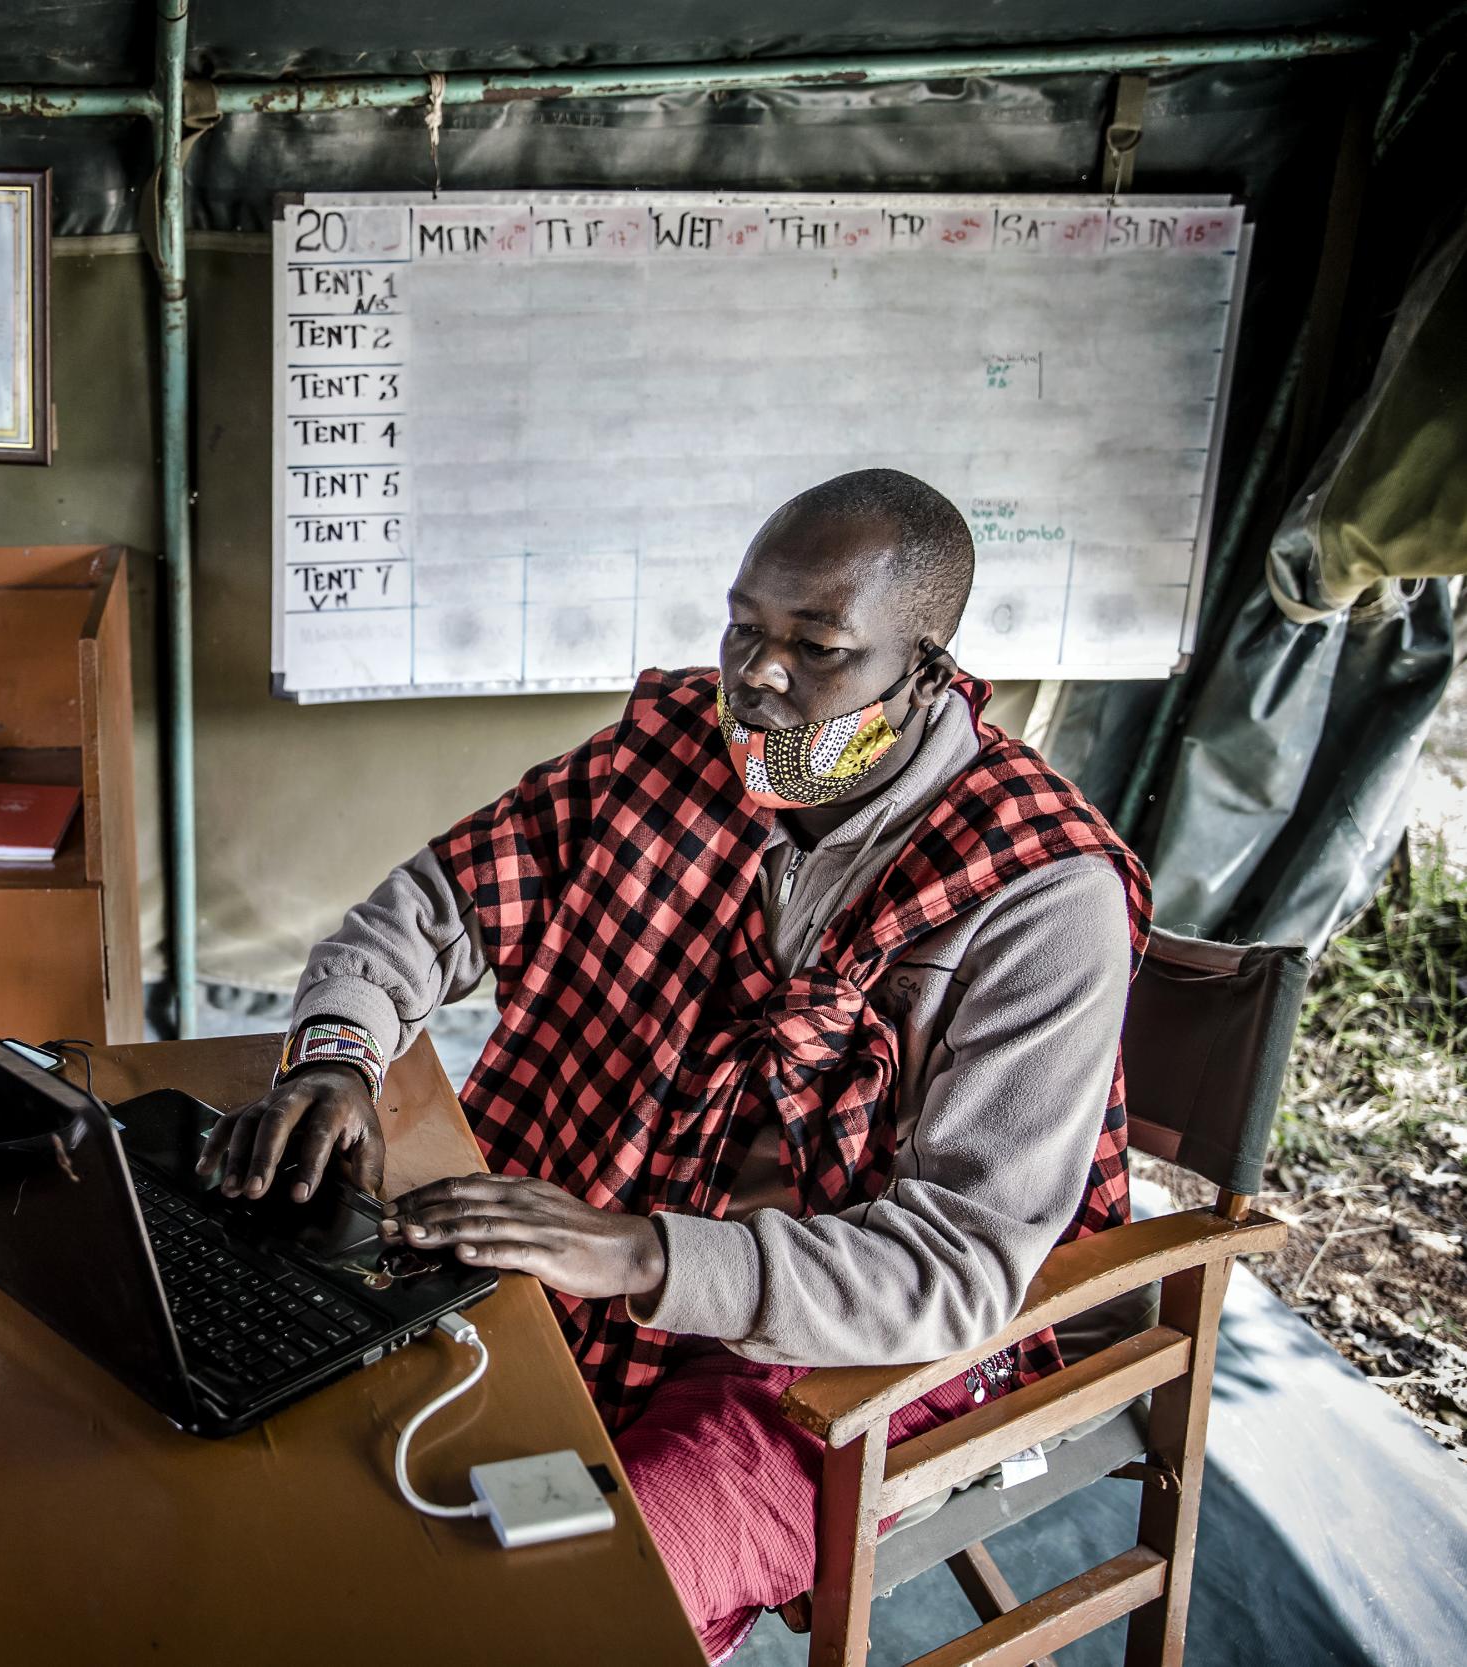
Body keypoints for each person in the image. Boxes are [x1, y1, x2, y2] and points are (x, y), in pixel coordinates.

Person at [201, 468, 1148, 1660]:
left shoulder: (1040, 895)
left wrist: (638, 1248)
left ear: (923, 667)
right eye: (744, 625)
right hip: (607, 1231)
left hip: (836, 1349)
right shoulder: (681, 750)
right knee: (314, 1457)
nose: (756, 677)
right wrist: (336, 1051)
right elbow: (434, 903)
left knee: (564, 1610)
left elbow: (955, 1267)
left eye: (817, 648)